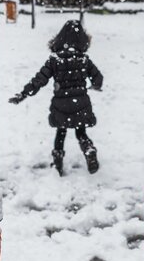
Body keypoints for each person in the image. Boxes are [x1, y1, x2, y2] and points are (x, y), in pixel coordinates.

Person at [9, 20, 103, 176]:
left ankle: (58, 161)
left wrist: (24, 94)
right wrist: (95, 85)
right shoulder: (84, 60)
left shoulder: (55, 60)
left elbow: (40, 79)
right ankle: (89, 150)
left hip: (62, 104)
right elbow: (97, 77)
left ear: (61, 38)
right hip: (81, 103)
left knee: (61, 132)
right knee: (81, 132)